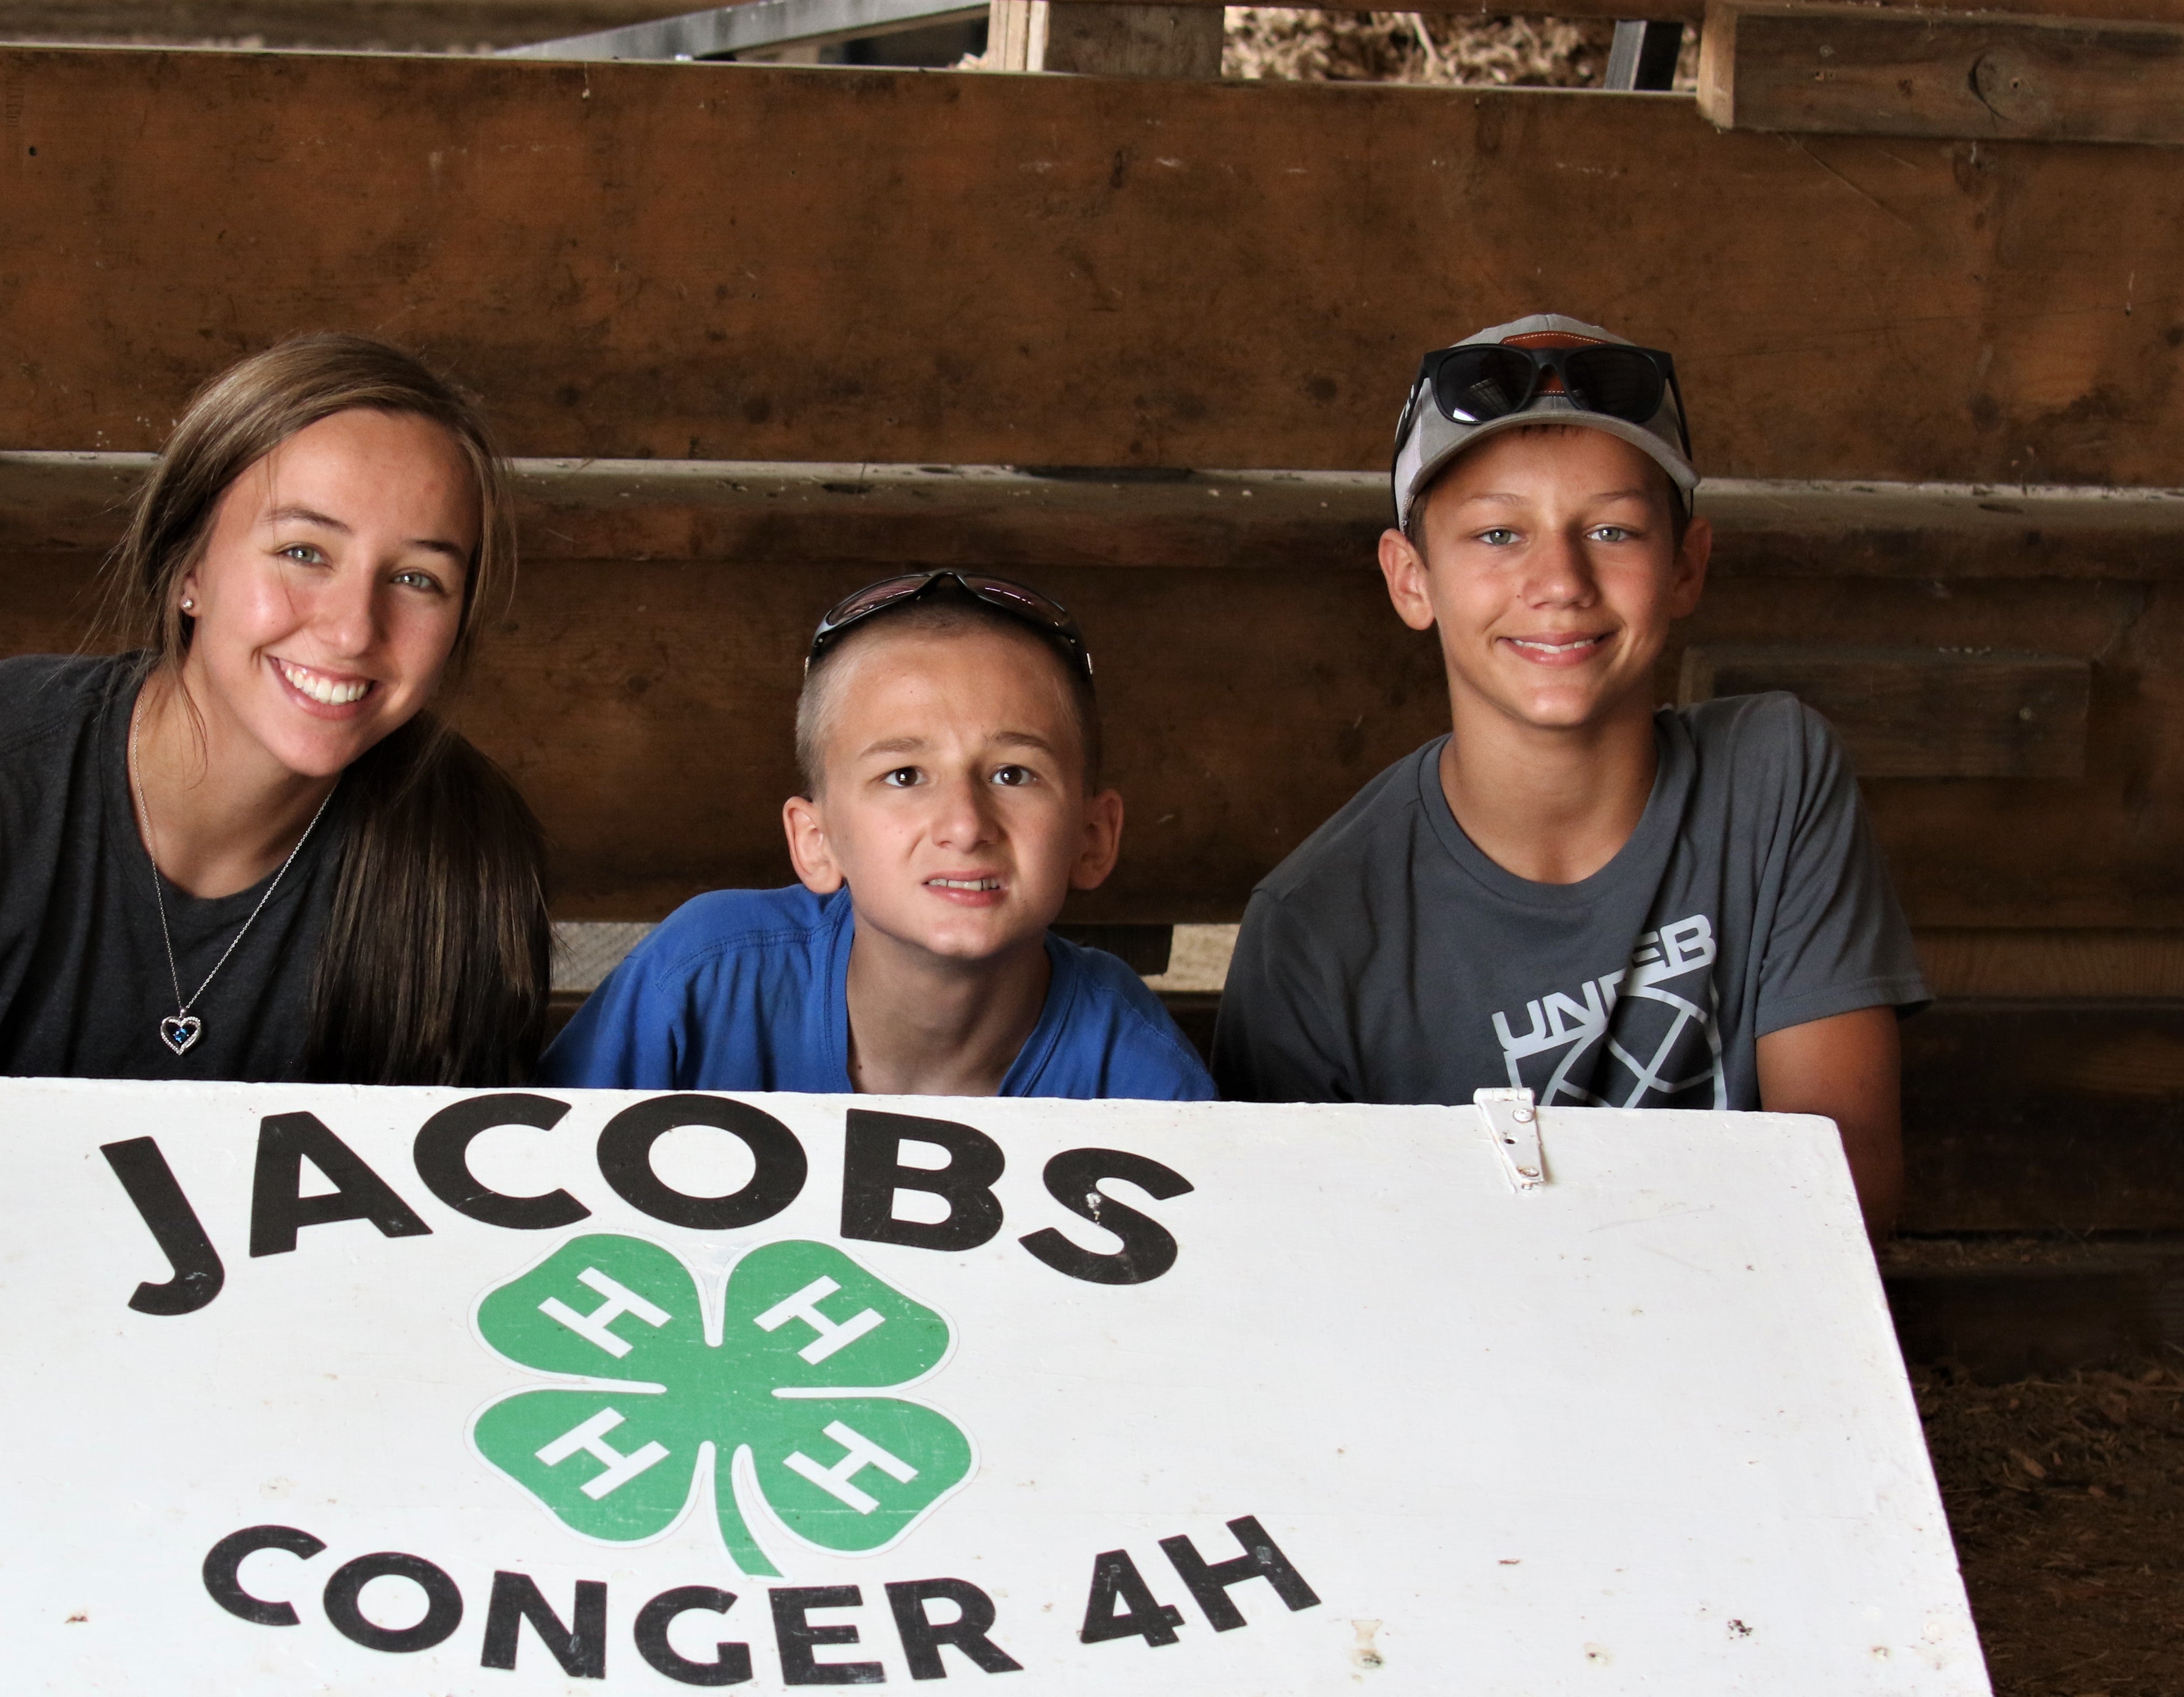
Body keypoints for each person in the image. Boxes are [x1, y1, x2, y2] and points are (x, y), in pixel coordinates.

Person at [1211, 314, 1924, 1231]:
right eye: (1498, 534)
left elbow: (1846, 1178)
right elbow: (1304, 1256)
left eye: (1615, 530)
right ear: (1409, 579)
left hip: (1746, 1352)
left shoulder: (1773, 777)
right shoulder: (1314, 923)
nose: (1560, 580)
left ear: (1686, 566)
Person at [0, 334, 548, 1085]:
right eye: (304, 553)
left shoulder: (469, 855)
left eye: (417, 579)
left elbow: (439, 1226)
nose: (353, 628)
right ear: (187, 568)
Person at [540, 570, 1214, 1100]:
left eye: (1013, 774)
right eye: (903, 775)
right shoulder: (702, 980)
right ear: (816, 841)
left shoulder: (1142, 1078)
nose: (965, 825)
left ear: (1093, 837)